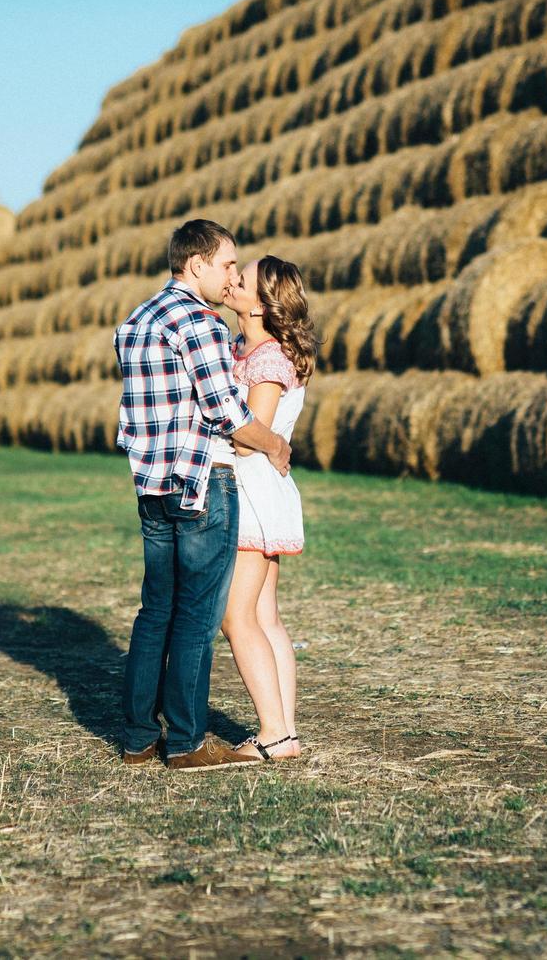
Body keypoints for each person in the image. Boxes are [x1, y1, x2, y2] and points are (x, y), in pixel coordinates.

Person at [114, 220, 291, 772]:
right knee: (195, 619)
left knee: (154, 612)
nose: (231, 277)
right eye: (226, 265)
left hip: (151, 486)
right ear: (196, 265)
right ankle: (188, 742)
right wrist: (276, 445)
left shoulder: (135, 320)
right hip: (200, 484)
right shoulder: (200, 323)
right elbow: (228, 414)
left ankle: (139, 735)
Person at [220, 256, 317, 762]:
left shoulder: (267, 359)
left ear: (261, 303)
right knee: (265, 615)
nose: (231, 280)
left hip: (251, 493)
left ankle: (274, 732)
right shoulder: (249, 349)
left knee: (236, 617)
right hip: (262, 489)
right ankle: (286, 731)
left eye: (243, 278)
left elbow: (246, 437)